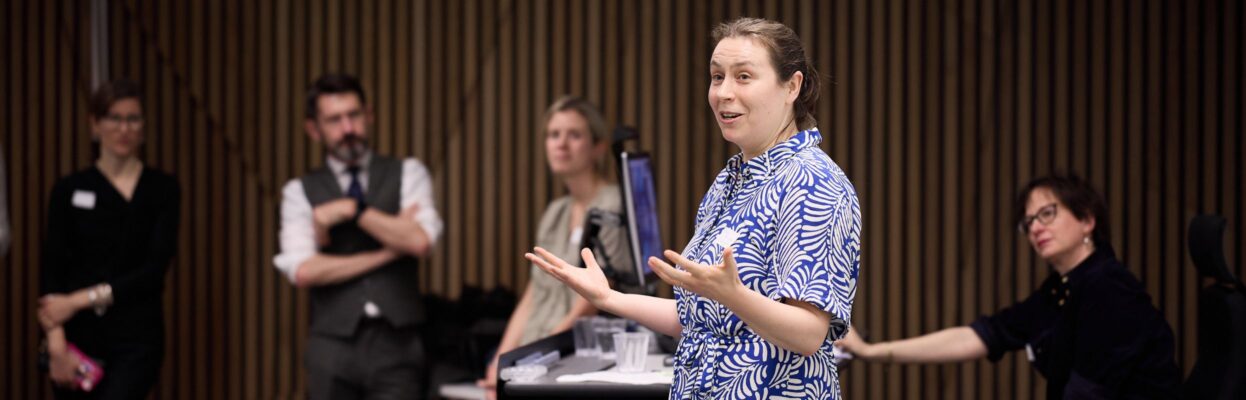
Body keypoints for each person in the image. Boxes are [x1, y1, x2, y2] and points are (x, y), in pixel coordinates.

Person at [527, 18, 862, 399]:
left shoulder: (812, 182)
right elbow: (696, 319)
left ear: (792, 86)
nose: (723, 92)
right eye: (717, 77)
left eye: (744, 77)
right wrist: (609, 299)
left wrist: (732, 294)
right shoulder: (731, 179)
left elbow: (808, 333)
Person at [835, 174, 1183, 399]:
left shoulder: (1109, 287)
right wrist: (873, 351)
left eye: (1047, 213)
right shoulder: (1061, 291)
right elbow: (983, 335)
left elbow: (1087, 392)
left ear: (1087, 220)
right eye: (1029, 221)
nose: (1035, 228)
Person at [273, 73, 443, 400]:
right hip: (331, 347)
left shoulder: (409, 171)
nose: (347, 129)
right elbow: (305, 271)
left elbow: (420, 241)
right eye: (334, 120)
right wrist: (391, 249)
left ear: (369, 115)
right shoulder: (298, 191)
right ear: (314, 129)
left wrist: (355, 210)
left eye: (353, 115)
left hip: (398, 344)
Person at [38, 78, 181, 399]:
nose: (124, 128)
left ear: (143, 126)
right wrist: (55, 342)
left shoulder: (161, 189)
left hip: (136, 337)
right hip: (77, 337)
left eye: (133, 118)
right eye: (114, 118)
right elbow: (52, 271)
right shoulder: (69, 190)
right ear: (95, 123)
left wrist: (79, 300)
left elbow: (154, 269)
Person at [476, 95, 623, 397]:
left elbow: (593, 299)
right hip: (537, 349)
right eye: (554, 135)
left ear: (598, 146)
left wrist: (534, 357)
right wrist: (502, 358)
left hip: (574, 355)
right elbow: (534, 293)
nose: (561, 144)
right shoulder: (556, 211)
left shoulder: (614, 205)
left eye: (575, 135)